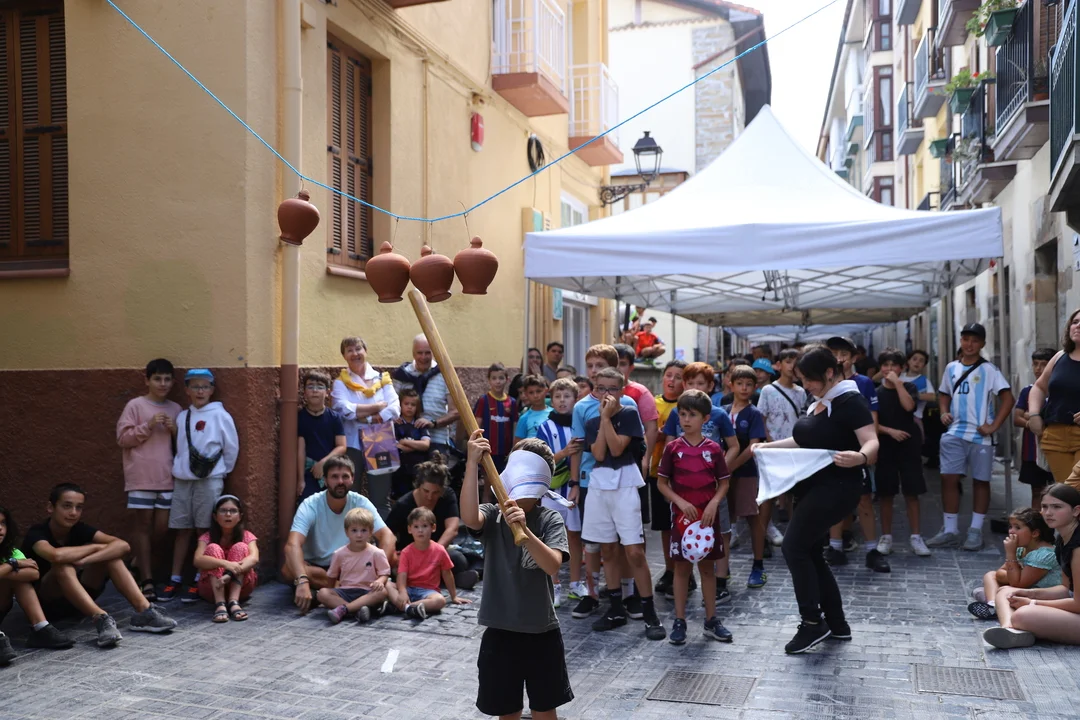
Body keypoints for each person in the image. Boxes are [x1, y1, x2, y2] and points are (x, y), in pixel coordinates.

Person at [751, 345, 878, 653]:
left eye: (809, 379)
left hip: (838, 487)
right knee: (810, 552)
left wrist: (860, 457)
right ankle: (837, 624)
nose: (805, 385)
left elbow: (872, 441)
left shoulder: (850, 400)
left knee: (793, 547)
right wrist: (767, 447)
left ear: (830, 373)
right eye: (802, 379)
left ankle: (812, 622)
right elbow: (803, 439)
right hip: (813, 486)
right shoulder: (819, 400)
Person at [461, 431, 574, 720]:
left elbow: (552, 565)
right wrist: (472, 463)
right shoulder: (493, 515)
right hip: (500, 630)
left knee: (544, 710)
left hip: (541, 632)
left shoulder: (549, 519)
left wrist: (526, 532)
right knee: (507, 710)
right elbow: (470, 517)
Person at [22, 484, 177, 648]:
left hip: (80, 599)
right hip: (48, 606)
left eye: (79, 507)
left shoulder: (80, 529)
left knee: (112, 558)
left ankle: (145, 611)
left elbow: (123, 546)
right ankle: (100, 618)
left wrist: (86, 560)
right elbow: (55, 555)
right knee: (63, 566)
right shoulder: (37, 533)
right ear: (50, 507)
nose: (73, 513)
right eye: (67, 506)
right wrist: (95, 547)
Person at [583, 368, 665, 640]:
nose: (606, 393)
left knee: (634, 551)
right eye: (601, 388)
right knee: (607, 549)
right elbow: (598, 453)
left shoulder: (629, 414)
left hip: (625, 484)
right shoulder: (592, 421)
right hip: (600, 485)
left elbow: (617, 448)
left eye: (612, 388)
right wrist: (603, 419)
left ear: (621, 391)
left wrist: (607, 418)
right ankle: (616, 608)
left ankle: (649, 612)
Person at [928, 323, 1014, 551]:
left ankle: (975, 531)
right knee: (949, 479)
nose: (969, 344)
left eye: (975, 340)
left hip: (980, 436)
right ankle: (950, 530)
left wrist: (994, 426)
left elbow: (1008, 398)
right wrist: (944, 412)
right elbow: (944, 393)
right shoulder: (951, 368)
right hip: (954, 432)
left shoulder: (989, 370)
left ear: (982, 344)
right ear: (961, 341)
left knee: (981, 481)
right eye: (966, 339)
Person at [569, 345, 641, 619]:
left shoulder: (628, 404)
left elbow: (632, 444)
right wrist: (574, 483)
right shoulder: (581, 407)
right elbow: (577, 447)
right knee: (592, 544)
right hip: (590, 480)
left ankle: (628, 593)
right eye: (590, 366)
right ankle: (592, 594)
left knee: (621, 542)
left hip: (619, 480)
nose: (594, 370)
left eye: (600, 365)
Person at [656, 390, 733, 644]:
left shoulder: (714, 449)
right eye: (682, 414)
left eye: (692, 415)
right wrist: (679, 501)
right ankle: (679, 621)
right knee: (681, 568)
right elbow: (662, 483)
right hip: (682, 520)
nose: (686, 420)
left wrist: (713, 504)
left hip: (708, 519)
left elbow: (724, 483)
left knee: (708, 569)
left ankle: (711, 620)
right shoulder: (672, 449)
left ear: (705, 419)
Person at [657, 362, 738, 601]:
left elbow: (733, 446)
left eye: (700, 383)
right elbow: (669, 444)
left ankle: (720, 578)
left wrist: (719, 469)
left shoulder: (719, 414)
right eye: (690, 382)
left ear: (710, 386)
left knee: (720, 529)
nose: (694, 387)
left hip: (712, 487)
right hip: (683, 487)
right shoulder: (677, 413)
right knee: (683, 528)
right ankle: (686, 576)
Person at [283, 456, 397, 612]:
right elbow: (292, 545)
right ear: (325, 480)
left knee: (393, 556)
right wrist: (302, 580)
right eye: (334, 477)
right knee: (288, 569)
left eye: (345, 476)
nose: (340, 481)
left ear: (352, 479)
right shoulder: (311, 504)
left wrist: (377, 572)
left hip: (352, 565)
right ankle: (362, 599)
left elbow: (388, 537)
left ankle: (336, 599)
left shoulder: (360, 502)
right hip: (317, 567)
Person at [166, 368, 239, 603]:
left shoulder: (220, 415)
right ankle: (175, 577)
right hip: (183, 480)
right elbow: (179, 448)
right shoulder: (182, 416)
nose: (200, 391)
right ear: (187, 390)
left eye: (205, 386)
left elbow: (231, 447)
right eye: (195, 386)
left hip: (209, 480)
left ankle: (201, 578)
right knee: (182, 529)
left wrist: (221, 471)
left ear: (212, 390)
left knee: (204, 530)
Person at [982, 484, 1080, 649]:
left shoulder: (1078, 547)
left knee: (1024, 614)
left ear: (1076, 511)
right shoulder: (1063, 539)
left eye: (1057, 507)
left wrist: (1032, 602)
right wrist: (1027, 593)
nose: (1048, 513)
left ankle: (1016, 627)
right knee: (1007, 591)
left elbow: (1078, 604)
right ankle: (1010, 630)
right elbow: (1065, 588)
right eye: (1044, 507)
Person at [116, 357, 182, 601]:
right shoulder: (135, 405)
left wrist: (175, 430)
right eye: (157, 379)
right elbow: (123, 439)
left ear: (173, 382)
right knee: (142, 527)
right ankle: (147, 580)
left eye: (167, 379)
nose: (162, 384)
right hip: (141, 477)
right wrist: (148, 425)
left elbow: (184, 444)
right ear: (147, 380)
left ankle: (138, 561)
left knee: (163, 528)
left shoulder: (176, 409)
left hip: (168, 477)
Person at [824, 337, 888, 574]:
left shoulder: (864, 383)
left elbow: (873, 416)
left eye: (844, 354)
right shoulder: (825, 381)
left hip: (859, 449)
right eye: (834, 353)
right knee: (833, 499)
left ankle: (872, 549)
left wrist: (871, 449)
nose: (839, 358)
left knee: (864, 499)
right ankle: (835, 546)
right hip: (833, 449)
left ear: (853, 357)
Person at [333, 335, 401, 519]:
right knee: (350, 495)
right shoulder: (340, 382)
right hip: (353, 444)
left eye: (358, 349)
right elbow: (342, 409)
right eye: (349, 350)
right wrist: (377, 407)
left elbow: (394, 408)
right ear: (344, 356)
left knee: (381, 499)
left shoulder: (382, 378)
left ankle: (382, 536)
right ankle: (350, 535)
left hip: (381, 441)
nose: (355, 353)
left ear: (365, 351)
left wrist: (367, 417)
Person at [387, 457, 478, 589]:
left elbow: (452, 529)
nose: (430, 497)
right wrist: (394, 556)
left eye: (435, 493)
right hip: (411, 554)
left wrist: (434, 553)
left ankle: (447, 578)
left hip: (437, 550)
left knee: (458, 559)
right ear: (418, 486)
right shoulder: (403, 505)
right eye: (426, 491)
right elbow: (388, 534)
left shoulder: (447, 496)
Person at [874, 349, 930, 557]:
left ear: (901, 368)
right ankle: (886, 536)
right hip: (885, 445)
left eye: (893, 365)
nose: (889, 369)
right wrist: (890, 431)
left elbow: (909, 407)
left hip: (909, 445)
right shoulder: (876, 393)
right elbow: (872, 422)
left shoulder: (909, 387)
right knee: (886, 493)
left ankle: (916, 537)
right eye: (885, 365)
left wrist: (898, 384)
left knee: (912, 492)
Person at [0, 505, 73, 664]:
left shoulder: (10, 552)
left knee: (19, 580)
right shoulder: (12, 559)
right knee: (12, 574)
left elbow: (34, 573)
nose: (0, 528)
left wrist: (7, 568)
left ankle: (41, 628)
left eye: (3, 523)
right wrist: (12, 565)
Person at [536, 377, 585, 607]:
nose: (562, 400)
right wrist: (564, 452)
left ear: (576, 399)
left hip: (573, 489)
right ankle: (553, 584)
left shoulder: (580, 425)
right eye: (557, 396)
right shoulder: (545, 427)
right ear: (551, 399)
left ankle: (575, 583)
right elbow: (541, 459)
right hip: (552, 491)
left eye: (567, 396)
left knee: (574, 536)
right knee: (551, 536)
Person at [968, 507, 1059, 621]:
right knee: (990, 575)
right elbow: (999, 573)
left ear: (1035, 533)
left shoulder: (1043, 554)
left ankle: (996, 603)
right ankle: (993, 605)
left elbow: (1017, 584)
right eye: (1010, 527)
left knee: (994, 590)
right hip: (1023, 586)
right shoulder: (1022, 549)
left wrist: (1010, 554)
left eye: (1017, 527)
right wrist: (1014, 574)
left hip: (1041, 594)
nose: (1011, 531)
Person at [723, 365, 769, 587]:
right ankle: (723, 567)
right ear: (730, 385)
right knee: (724, 519)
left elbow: (753, 446)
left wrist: (731, 466)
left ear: (755, 387)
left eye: (749, 384)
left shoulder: (754, 414)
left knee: (752, 516)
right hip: (722, 474)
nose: (744, 388)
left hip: (746, 471)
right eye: (739, 383)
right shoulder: (721, 410)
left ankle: (758, 565)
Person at [756, 348, 806, 549]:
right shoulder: (768, 390)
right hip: (773, 449)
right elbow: (762, 419)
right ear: (778, 365)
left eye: (796, 362)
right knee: (768, 496)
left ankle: (795, 537)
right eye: (788, 361)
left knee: (794, 494)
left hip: (795, 448)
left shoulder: (801, 391)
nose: (792, 366)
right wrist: (769, 443)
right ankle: (763, 536)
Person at [1025, 310, 1080, 487]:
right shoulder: (1059, 357)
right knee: (1065, 493)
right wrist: (1034, 414)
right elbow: (1039, 387)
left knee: (1075, 489)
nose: (1078, 326)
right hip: (1055, 437)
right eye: (1075, 322)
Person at [648, 359, 688, 598]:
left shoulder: (687, 405)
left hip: (684, 475)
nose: (672, 380)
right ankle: (670, 569)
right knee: (664, 526)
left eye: (678, 377)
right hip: (658, 472)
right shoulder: (652, 403)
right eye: (669, 375)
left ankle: (686, 571)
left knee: (683, 524)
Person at [389, 507, 469, 619]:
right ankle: (408, 607)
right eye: (416, 527)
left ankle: (405, 607)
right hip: (409, 588)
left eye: (424, 526)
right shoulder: (406, 552)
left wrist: (454, 596)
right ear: (409, 529)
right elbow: (402, 575)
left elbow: (447, 573)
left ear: (433, 528)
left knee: (440, 600)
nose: (420, 530)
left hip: (428, 591)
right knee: (387, 584)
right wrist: (402, 592)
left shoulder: (439, 550)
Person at [317, 507, 390, 624]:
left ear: (371, 532)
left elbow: (384, 573)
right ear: (347, 532)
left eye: (364, 530)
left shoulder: (377, 553)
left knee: (382, 592)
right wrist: (329, 593)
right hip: (345, 591)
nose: (359, 535)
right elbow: (332, 576)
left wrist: (380, 581)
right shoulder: (339, 554)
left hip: (367, 591)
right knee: (322, 593)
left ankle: (344, 609)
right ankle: (357, 611)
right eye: (354, 530)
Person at [391, 334, 459, 460]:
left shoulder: (445, 374)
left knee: (436, 472)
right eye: (419, 353)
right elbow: (391, 406)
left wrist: (433, 423)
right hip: (405, 439)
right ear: (413, 353)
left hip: (437, 440)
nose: (423, 357)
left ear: (433, 353)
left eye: (427, 353)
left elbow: (456, 412)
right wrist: (394, 417)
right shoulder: (401, 375)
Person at [193, 495, 258, 622]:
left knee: (240, 547)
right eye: (223, 511)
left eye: (233, 511)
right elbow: (197, 560)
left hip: (242, 587)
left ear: (240, 516)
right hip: (212, 587)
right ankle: (220, 604)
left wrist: (229, 575)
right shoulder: (206, 537)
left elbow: (254, 558)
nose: (228, 514)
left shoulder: (247, 536)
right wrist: (225, 564)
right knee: (213, 548)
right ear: (215, 516)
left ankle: (234, 602)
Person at [1014, 349, 1058, 509]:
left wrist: (1032, 415)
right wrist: (1031, 422)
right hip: (1032, 450)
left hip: (1056, 448)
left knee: (1058, 491)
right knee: (1037, 490)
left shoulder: (1059, 391)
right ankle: (1037, 522)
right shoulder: (1027, 391)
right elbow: (1017, 417)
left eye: (1044, 365)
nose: (1038, 369)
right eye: (1035, 364)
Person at [296, 369, 347, 504]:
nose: (315, 391)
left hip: (331, 470)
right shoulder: (300, 418)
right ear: (304, 392)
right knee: (307, 504)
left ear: (327, 392)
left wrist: (323, 463)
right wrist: (300, 480)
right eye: (310, 386)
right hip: (309, 472)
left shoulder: (334, 418)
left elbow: (342, 446)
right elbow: (300, 449)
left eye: (320, 387)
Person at [614, 343, 661, 484]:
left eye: (622, 364)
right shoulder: (599, 390)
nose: (617, 367)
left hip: (633, 457)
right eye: (614, 363)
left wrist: (645, 459)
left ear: (631, 367)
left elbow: (651, 428)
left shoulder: (640, 392)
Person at [474, 363, 518, 483]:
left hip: (506, 453)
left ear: (507, 379)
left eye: (501, 378)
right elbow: (476, 426)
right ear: (489, 380)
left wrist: (514, 448)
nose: (497, 381)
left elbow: (515, 427)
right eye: (494, 378)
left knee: (504, 485)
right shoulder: (484, 400)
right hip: (488, 451)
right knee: (488, 485)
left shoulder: (512, 402)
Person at [391, 388, 431, 500]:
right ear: (400, 404)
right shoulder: (395, 424)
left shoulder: (420, 424)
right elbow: (395, 446)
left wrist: (405, 442)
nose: (409, 407)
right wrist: (416, 445)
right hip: (399, 470)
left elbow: (425, 445)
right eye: (406, 404)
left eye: (413, 404)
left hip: (418, 470)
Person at [900, 350, 936, 436]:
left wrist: (915, 396)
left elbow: (933, 397)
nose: (917, 362)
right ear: (908, 361)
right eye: (914, 359)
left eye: (921, 361)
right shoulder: (899, 377)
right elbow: (875, 379)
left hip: (915, 419)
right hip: (897, 418)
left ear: (924, 365)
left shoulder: (924, 380)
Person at [515, 375, 552, 442]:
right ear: (526, 394)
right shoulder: (524, 418)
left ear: (546, 391)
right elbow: (518, 444)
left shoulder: (554, 413)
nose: (535, 396)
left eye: (538, 391)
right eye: (531, 393)